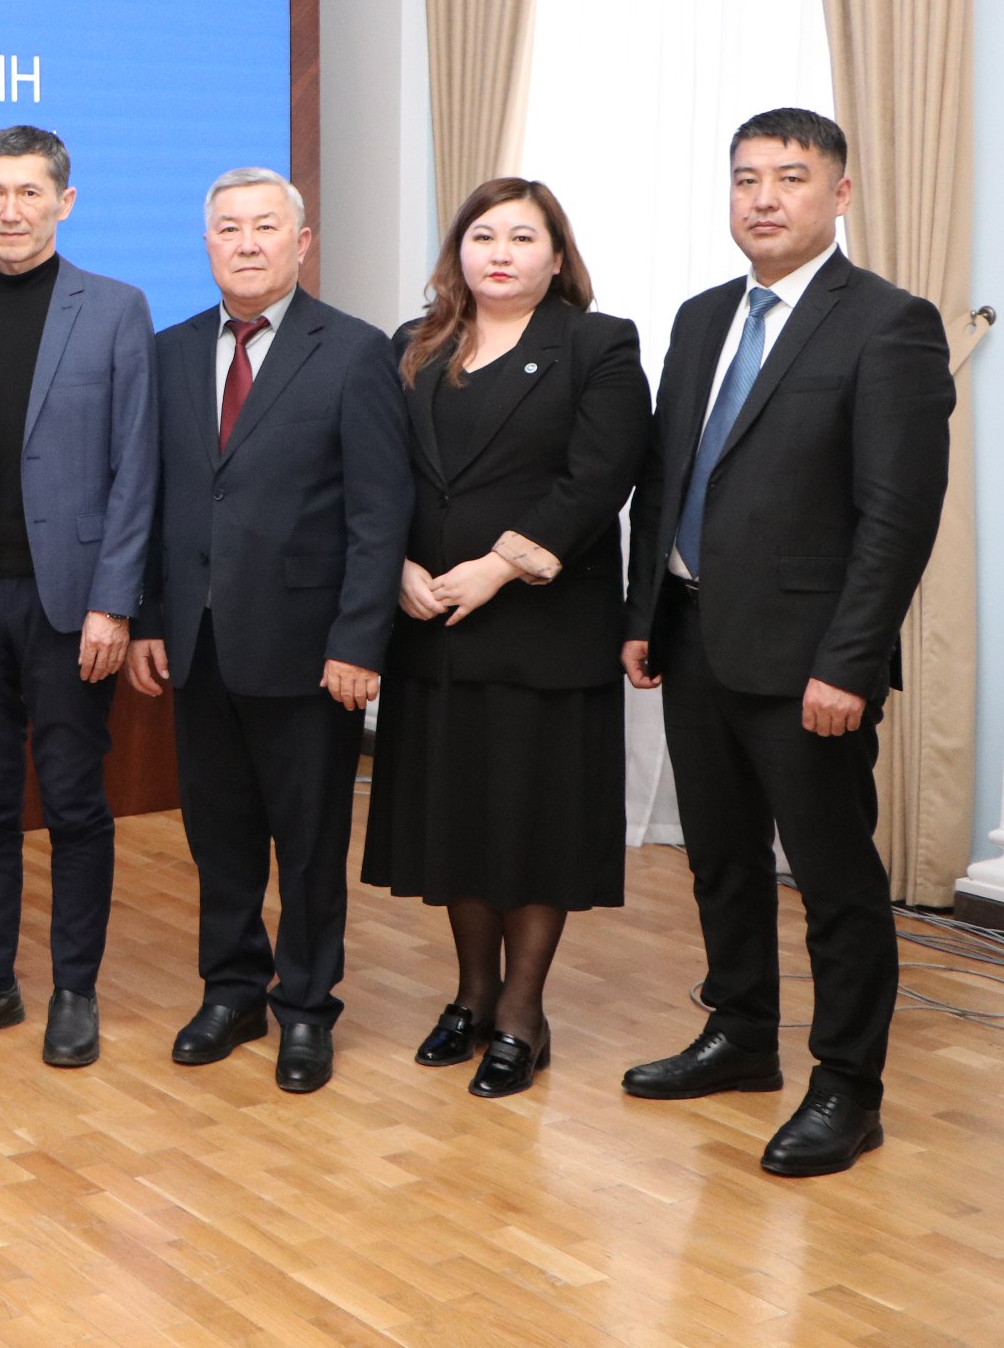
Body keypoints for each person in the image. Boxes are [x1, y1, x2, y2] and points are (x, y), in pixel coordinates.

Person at [622, 108, 951, 1177]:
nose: (763, 198)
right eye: (745, 178)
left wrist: (848, 663)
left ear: (839, 194)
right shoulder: (700, 316)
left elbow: (896, 517)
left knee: (833, 880)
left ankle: (849, 1087)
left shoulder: (889, 324)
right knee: (719, 860)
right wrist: (641, 614)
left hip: (810, 658)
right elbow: (666, 478)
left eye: (790, 177)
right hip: (692, 634)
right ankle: (741, 1035)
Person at [360, 179, 649, 1098]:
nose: (500, 252)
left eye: (523, 237)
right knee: (459, 824)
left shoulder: (598, 345)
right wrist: (397, 565)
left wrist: (498, 566)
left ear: (557, 258)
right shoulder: (414, 346)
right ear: (459, 251)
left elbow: (599, 478)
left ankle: (523, 1013)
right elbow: (382, 475)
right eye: (483, 235)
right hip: (434, 629)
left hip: (543, 632)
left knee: (533, 827)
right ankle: (472, 995)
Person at [126, 167, 408, 1093]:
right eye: (228, 228)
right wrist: (146, 618)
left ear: (301, 242)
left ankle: (307, 1008)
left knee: (309, 841)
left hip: (308, 648)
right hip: (196, 642)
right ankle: (232, 991)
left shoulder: (355, 351)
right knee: (220, 837)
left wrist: (358, 641)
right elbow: (152, 498)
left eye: (265, 227)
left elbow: (379, 514)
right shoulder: (170, 352)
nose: (246, 244)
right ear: (206, 243)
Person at [0, 126, 156, 1068]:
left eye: (28, 192)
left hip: (73, 607)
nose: (10, 209)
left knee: (74, 803)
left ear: (64, 201)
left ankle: (75, 989)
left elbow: (137, 468)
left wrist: (115, 602)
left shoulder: (117, 308)